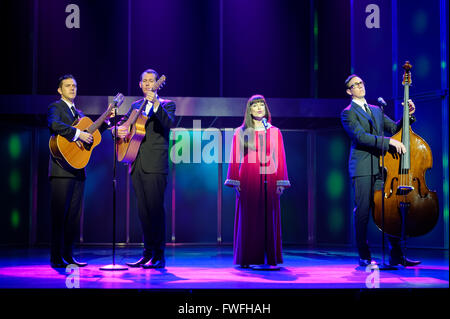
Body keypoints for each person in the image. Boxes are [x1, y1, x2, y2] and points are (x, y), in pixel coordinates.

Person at [340, 74, 421, 267]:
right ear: (349, 91)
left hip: (381, 167)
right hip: (362, 167)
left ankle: (396, 255)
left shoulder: (376, 110)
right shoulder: (348, 112)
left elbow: (394, 127)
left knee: (388, 211)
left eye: (361, 82)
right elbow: (361, 137)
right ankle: (364, 255)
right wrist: (388, 142)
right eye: (355, 85)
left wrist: (407, 116)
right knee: (362, 212)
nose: (360, 86)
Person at [48, 74, 113, 268]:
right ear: (60, 90)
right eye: (68, 86)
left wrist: (106, 123)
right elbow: (54, 125)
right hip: (61, 170)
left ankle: (68, 255)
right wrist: (77, 134)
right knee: (59, 215)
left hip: (78, 171)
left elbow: (91, 136)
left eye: (74, 86)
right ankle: (56, 257)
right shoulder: (55, 107)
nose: (72, 89)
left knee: (73, 216)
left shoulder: (80, 113)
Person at [117, 69, 176, 269]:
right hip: (136, 163)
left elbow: (169, 123)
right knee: (143, 212)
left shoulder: (167, 104)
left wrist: (156, 104)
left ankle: (159, 255)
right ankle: (147, 253)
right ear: (140, 85)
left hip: (155, 165)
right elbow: (123, 126)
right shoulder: (134, 106)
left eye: (152, 81)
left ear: (157, 84)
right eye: (145, 81)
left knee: (155, 211)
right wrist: (118, 130)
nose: (149, 83)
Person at [225, 95, 290, 269]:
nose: (259, 107)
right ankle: (250, 257)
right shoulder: (241, 131)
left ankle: (267, 259)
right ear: (249, 110)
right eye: (255, 105)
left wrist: (280, 182)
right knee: (250, 217)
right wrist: (235, 181)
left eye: (262, 104)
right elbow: (234, 157)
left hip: (270, 176)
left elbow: (280, 157)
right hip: (248, 176)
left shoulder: (275, 131)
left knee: (269, 216)